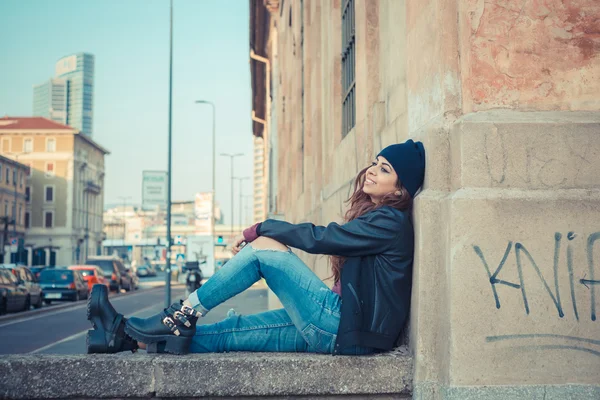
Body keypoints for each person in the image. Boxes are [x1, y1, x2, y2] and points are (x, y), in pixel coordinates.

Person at [86, 139, 425, 356]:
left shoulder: (390, 223)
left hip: (341, 326)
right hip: (344, 330)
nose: (372, 171)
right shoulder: (381, 220)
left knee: (265, 248)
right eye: (375, 163)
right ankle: (125, 338)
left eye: (385, 169)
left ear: (399, 190)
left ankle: (182, 314)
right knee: (231, 332)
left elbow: (322, 238)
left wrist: (262, 227)